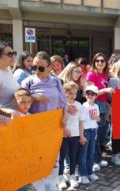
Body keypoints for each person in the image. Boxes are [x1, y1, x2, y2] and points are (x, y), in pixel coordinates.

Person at [21, 51, 68, 191]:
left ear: (49, 68)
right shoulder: (29, 81)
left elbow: (64, 102)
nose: (36, 70)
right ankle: (38, 187)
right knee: (36, 158)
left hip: (53, 126)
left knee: (53, 157)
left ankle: (51, 185)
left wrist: (65, 117)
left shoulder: (56, 81)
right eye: (33, 67)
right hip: (34, 127)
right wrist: (33, 96)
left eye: (40, 68)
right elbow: (18, 99)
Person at [86, 53, 114, 170]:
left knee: (102, 134)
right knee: (94, 134)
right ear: (94, 62)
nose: (100, 63)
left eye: (102, 61)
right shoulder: (91, 74)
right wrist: (105, 90)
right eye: (97, 60)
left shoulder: (104, 75)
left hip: (103, 106)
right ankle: (93, 160)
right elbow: (89, 93)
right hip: (94, 106)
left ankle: (97, 157)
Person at [57, 82, 86, 189]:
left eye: (74, 93)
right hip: (63, 136)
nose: (72, 95)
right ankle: (60, 177)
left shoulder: (79, 105)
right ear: (64, 93)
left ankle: (72, 176)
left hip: (75, 136)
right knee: (62, 157)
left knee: (73, 156)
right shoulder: (61, 106)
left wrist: (81, 136)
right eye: (69, 93)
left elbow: (81, 122)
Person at [12, 88, 34, 191]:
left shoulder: (30, 116)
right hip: (14, 154)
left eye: (28, 102)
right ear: (14, 102)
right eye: (22, 102)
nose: (26, 105)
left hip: (26, 152)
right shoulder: (12, 117)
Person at [78, 85, 100, 184]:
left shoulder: (96, 106)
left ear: (96, 96)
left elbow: (98, 119)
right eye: (88, 93)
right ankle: (83, 174)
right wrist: (81, 135)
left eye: (92, 94)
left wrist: (96, 117)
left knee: (91, 153)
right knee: (83, 154)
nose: (90, 95)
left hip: (93, 130)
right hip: (86, 131)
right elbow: (81, 122)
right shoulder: (83, 107)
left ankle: (90, 172)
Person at [0, 41, 20, 126]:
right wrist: (8, 111)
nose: (12, 56)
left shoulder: (9, 70)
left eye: (13, 53)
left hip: (15, 118)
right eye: (9, 54)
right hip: (5, 122)